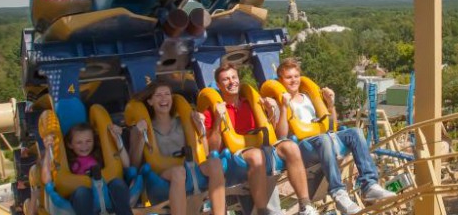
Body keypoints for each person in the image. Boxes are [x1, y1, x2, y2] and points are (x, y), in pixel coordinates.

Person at [275, 58, 396, 214]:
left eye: (296, 76)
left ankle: (369, 184)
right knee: (324, 139)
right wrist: (284, 108)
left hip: (321, 138)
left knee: (355, 132)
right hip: (303, 145)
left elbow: (332, 125)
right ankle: (338, 193)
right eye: (289, 77)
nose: (294, 80)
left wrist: (330, 104)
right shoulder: (280, 101)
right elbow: (281, 135)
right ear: (281, 80)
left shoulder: (308, 97)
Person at [200, 62, 319, 215]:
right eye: (226, 79)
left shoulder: (251, 103)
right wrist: (217, 119)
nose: (231, 82)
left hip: (260, 148)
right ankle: (263, 211)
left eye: (234, 77)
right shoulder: (212, 110)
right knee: (257, 155)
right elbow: (213, 149)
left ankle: (305, 205)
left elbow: (274, 133)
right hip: (235, 156)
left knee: (290, 146)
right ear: (218, 84)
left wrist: (272, 111)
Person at [129, 82, 226, 215]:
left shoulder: (183, 122)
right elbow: (134, 163)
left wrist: (200, 129)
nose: (164, 98)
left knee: (215, 163)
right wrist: (140, 137)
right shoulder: (142, 128)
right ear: (150, 101)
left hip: (189, 168)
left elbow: (204, 152)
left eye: (167, 94)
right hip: (162, 175)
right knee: (178, 172)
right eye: (158, 95)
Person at [41, 122, 133, 215]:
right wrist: (48, 151)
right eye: (79, 142)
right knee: (82, 192)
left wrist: (117, 139)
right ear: (70, 144)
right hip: (80, 197)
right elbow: (47, 180)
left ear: (94, 140)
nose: (84, 146)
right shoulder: (67, 162)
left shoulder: (100, 156)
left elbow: (126, 164)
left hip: (105, 191)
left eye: (88, 141)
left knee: (118, 183)